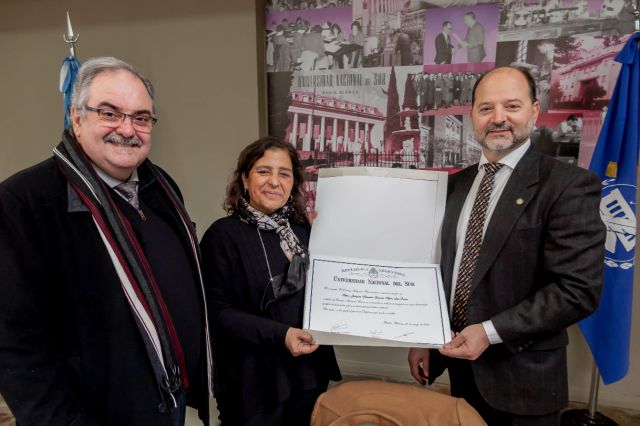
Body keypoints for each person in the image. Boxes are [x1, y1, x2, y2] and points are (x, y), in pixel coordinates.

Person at [0, 57, 212, 425]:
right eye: (110, 113)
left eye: (141, 118)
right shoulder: (24, 202)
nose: (127, 129)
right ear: (77, 117)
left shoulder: (160, 186)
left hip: (167, 401)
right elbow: (17, 344)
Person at [408, 67, 605, 425]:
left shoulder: (569, 185)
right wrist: (423, 337)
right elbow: (443, 269)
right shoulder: (454, 186)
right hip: (459, 366)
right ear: (472, 115)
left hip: (524, 378)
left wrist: (489, 333)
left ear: (534, 110)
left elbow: (577, 290)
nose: (498, 118)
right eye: (486, 108)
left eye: (512, 106)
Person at [200, 137, 341, 425]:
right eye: (263, 171)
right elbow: (217, 312)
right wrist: (281, 335)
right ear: (245, 178)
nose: (274, 182)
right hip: (252, 381)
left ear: (294, 182)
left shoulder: (305, 231)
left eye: (284, 174)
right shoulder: (222, 236)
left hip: (307, 373)